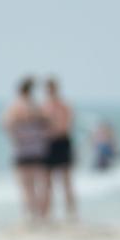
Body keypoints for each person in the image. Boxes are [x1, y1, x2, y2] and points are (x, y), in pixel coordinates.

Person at [1, 77, 49, 223]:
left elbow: (7, 125)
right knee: (39, 184)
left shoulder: (15, 106)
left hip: (23, 149)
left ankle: (30, 214)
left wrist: (17, 136)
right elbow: (47, 126)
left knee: (26, 185)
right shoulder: (37, 107)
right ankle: (41, 215)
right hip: (38, 149)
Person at [42, 77, 76, 220]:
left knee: (66, 181)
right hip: (49, 143)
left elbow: (66, 126)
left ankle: (71, 213)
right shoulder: (44, 106)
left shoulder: (64, 105)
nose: (50, 91)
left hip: (62, 142)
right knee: (47, 182)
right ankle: (48, 215)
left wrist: (54, 130)